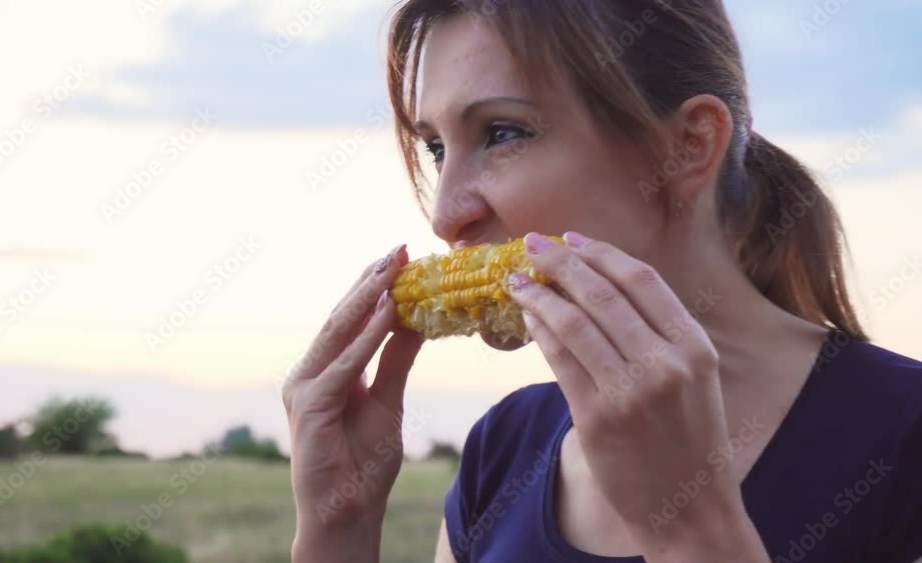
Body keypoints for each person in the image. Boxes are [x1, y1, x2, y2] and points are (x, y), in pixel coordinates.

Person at [283, 1, 922, 561]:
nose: (446, 216)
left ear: (690, 145)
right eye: (436, 149)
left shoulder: (903, 435)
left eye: (503, 133)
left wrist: (691, 531)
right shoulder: (502, 450)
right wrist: (337, 530)